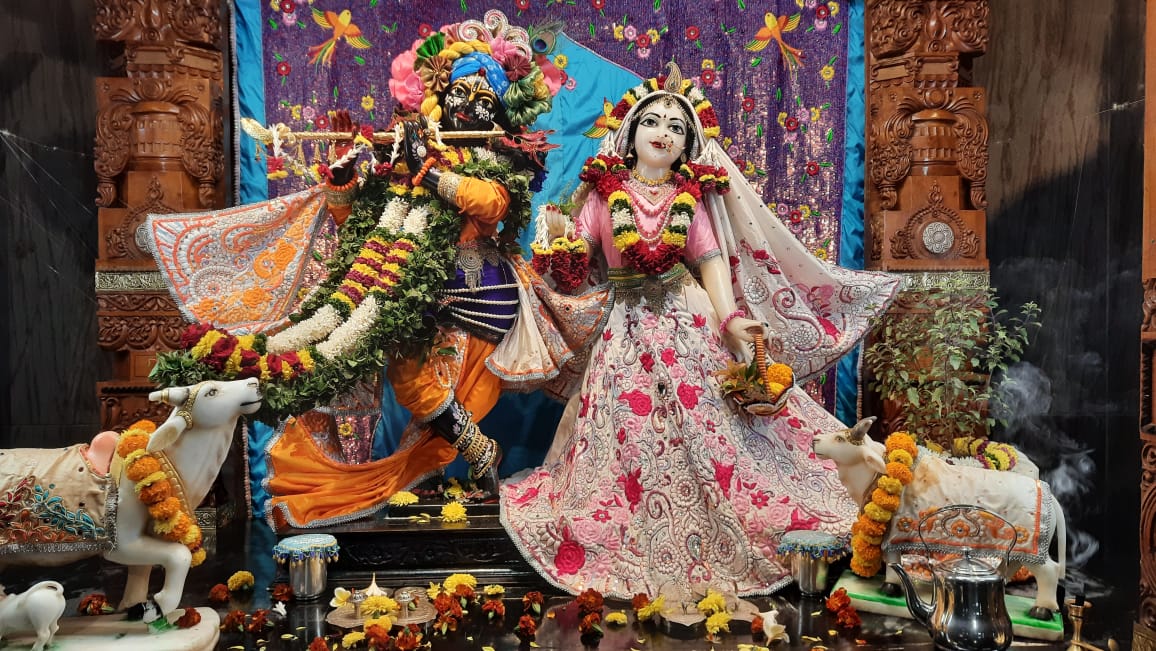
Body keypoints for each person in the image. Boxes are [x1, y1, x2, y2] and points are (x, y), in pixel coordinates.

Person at [147, 14, 604, 528]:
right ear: (439, 100)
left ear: (496, 109)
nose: (467, 105)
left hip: (480, 301)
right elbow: (364, 231)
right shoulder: (408, 156)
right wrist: (343, 180)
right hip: (415, 298)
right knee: (414, 387)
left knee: (439, 395)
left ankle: (476, 458)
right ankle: (475, 455)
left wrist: (430, 170)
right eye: (458, 92)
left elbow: (491, 203)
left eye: (482, 98)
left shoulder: (494, 157)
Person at [499, 64, 902, 598]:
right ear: (630, 132)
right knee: (628, 433)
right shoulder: (601, 194)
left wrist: (731, 320)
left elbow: (711, 262)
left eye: (676, 127)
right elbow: (574, 270)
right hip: (623, 331)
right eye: (652, 122)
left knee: (714, 428)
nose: (663, 133)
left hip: (688, 321)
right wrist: (558, 244)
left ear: (688, 145)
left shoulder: (691, 195)